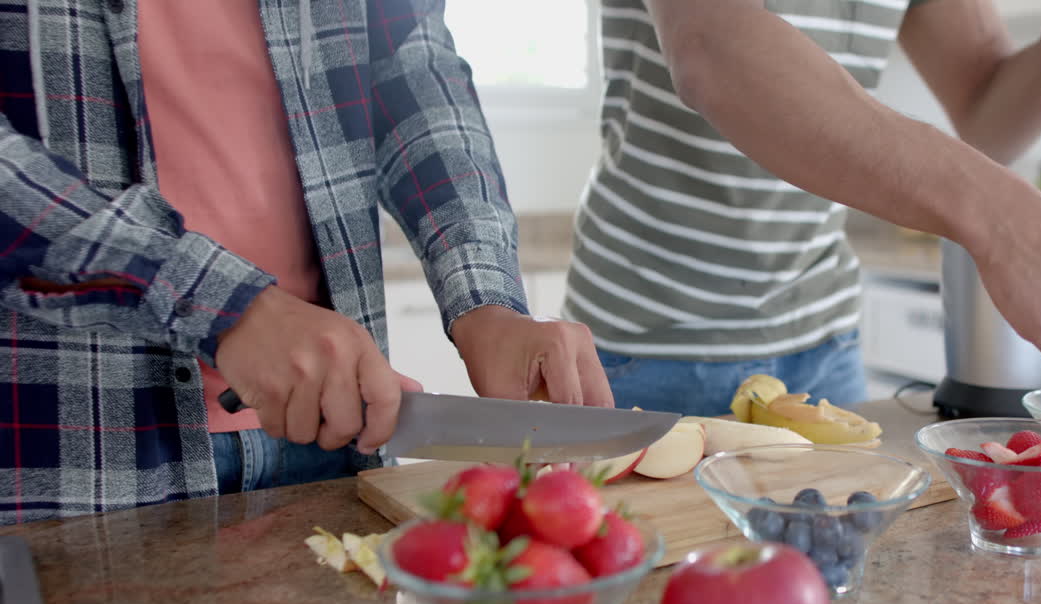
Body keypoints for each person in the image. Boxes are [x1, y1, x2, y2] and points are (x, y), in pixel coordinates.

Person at [0, 0, 610, 525]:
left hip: (336, 437)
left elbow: (414, 71)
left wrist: (484, 298)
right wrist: (223, 306)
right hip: (81, 458)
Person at [563, 0, 1041, 425]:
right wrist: (1017, 226)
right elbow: (712, 48)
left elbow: (984, 110)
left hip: (823, 345)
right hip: (646, 350)